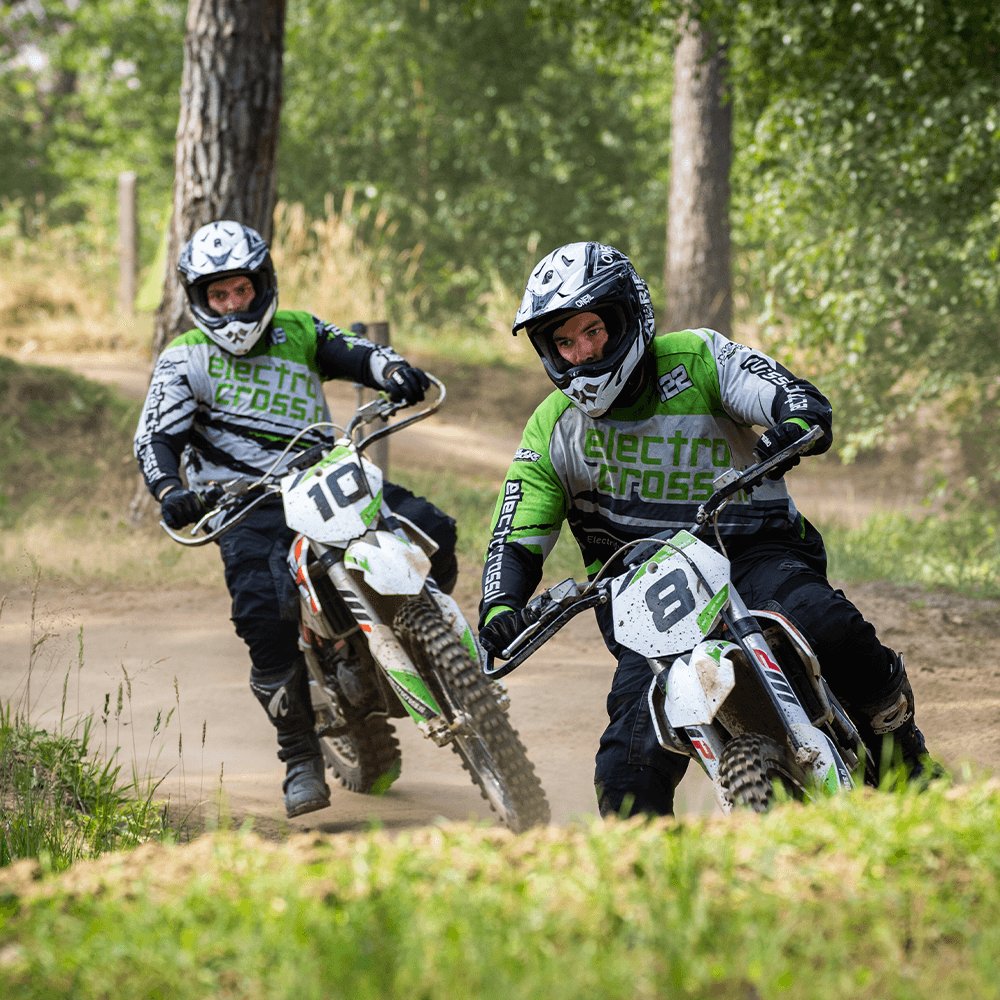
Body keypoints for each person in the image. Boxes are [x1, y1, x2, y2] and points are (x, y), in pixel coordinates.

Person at [477, 240, 939, 818]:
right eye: (563, 342)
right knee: (624, 777)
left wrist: (795, 419)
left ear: (629, 316)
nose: (582, 353)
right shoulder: (550, 428)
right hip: (643, 599)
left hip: (750, 548)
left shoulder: (695, 357)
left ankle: (907, 760)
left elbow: (786, 394)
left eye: (593, 330)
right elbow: (516, 531)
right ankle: (666, 892)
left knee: (831, 625)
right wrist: (500, 607)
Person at [134, 220, 458, 818]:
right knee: (263, 612)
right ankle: (301, 756)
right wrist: (171, 489)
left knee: (434, 531)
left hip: (325, 475)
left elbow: (357, 354)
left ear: (263, 284)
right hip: (245, 502)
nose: (233, 305)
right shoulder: (184, 361)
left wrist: (392, 372)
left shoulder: (297, 328)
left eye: (241, 290)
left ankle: (428, 647)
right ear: (198, 300)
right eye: (217, 295)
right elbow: (156, 438)